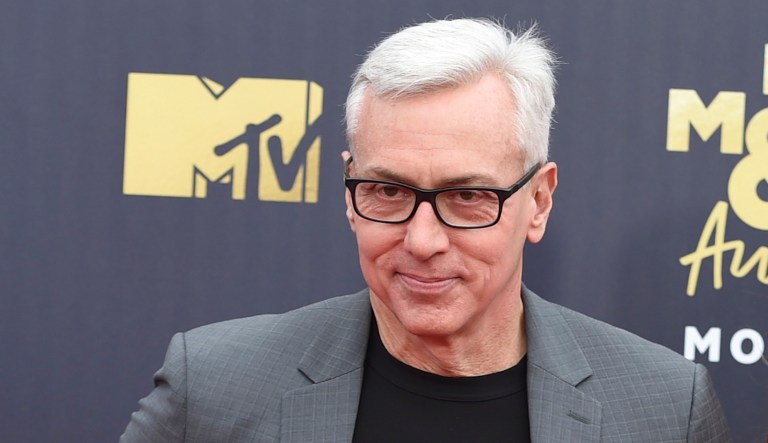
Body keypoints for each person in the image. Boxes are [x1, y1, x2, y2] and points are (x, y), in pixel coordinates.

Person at [120, 18, 731, 442]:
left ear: (539, 201)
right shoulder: (213, 388)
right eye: (388, 190)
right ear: (349, 192)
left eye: (468, 196)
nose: (422, 240)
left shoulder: (664, 410)